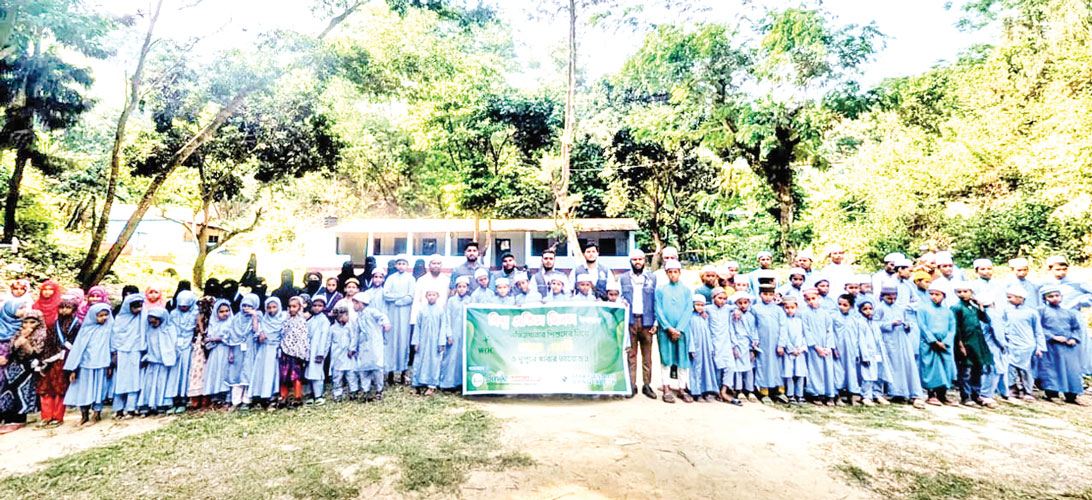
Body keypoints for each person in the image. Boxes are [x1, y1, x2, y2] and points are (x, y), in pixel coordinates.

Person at [63, 303, 113, 426]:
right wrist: (73, 369)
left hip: (101, 364)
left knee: (99, 390)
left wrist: (111, 364)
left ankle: (97, 413)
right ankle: (84, 415)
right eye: (100, 315)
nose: (104, 318)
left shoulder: (110, 328)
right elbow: (77, 350)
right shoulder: (85, 330)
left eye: (106, 315)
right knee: (83, 391)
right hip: (85, 366)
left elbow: (112, 346)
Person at [875, 287, 925, 408]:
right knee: (893, 366)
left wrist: (907, 326)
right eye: (889, 298)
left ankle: (907, 392)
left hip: (902, 341)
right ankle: (895, 392)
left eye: (894, 298)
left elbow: (908, 322)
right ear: (883, 296)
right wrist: (890, 324)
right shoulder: (879, 308)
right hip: (888, 341)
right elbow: (875, 324)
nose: (892, 300)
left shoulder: (900, 308)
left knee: (906, 365)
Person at [1038, 285, 1087, 404]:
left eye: (1057, 295)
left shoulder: (1069, 313)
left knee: (1072, 371)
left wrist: (1074, 338)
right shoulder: (1041, 311)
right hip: (1051, 347)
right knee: (1052, 370)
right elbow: (1038, 328)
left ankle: (1072, 396)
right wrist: (1053, 337)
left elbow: (1076, 328)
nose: (1054, 298)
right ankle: (1052, 394)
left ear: (1061, 297)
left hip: (1068, 347)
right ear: (1045, 298)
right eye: (1050, 296)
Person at [37, 294, 81, 427]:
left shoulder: (77, 325)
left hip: (66, 360)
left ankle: (57, 416)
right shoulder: (54, 324)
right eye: (61, 307)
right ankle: (46, 416)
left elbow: (77, 344)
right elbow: (48, 342)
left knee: (60, 389)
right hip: (51, 360)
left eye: (68, 308)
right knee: (46, 388)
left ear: (74, 309)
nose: (64, 311)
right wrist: (45, 359)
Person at [619, 248, 657, 399]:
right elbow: (618, 297)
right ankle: (631, 385)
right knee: (631, 355)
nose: (637, 262)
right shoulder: (623, 278)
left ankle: (647, 385)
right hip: (630, 321)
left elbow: (657, 300)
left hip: (647, 321)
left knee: (647, 356)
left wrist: (656, 322)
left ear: (644, 261)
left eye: (640, 259)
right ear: (630, 261)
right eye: (634, 259)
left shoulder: (652, 278)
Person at [654, 260, 693, 403]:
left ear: (679, 273)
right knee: (666, 359)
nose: (673, 275)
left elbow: (688, 310)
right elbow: (658, 310)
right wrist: (668, 328)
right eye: (670, 272)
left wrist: (679, 329)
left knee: (683, 360)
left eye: (675, 272)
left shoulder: (686, 291)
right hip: (665, 331)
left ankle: (682, 388)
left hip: (682, 331)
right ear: (666, 273)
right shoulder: (660, 290)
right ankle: (666, 388)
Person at [952, 283, 994, 407]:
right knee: (965, 371)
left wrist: (980, 306)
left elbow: (985, 319)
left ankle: (976, 394)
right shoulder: (956, 308)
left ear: (971, 292)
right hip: (965, 343)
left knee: (978, 369)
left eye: (965, 291)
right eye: (959, 292)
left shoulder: (973, 308)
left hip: (977, 343)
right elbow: (956, 328)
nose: (962, 294)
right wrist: (960, 345)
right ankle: (966, 396)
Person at [917, 283, 958, 406]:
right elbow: (923, 326)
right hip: (929, 344)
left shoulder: (948, 312)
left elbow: (952, 328)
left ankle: (942, 395)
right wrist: (933, 341)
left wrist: (946, 342)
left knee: (946, 368)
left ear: (943, 296)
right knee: (931, 369)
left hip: (945, 345)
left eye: (937, 294)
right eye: (932, 294)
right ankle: (931, 395)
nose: (934, 297)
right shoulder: (923, 309)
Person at [1001, 286, 1042, 401]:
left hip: (1027, 345)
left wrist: (1039, 347)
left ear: (1020, 298)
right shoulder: (1007, 310)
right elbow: (1003, 325)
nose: (1008, 299)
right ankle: (1012, 388)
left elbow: (1038, 331)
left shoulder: (1031, 313)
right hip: (1011, 344)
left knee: (1026, 370)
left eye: (1011, 297)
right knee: (1010, 368)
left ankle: (1027, 391)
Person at [801, 288, 838, 406]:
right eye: (808, 299)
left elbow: (829, 330)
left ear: (819, 298)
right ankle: (816, 393)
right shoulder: (804, 313)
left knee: (828, 369)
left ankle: (829, 394)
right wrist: (816, 347)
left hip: (826, 346)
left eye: (813, 298)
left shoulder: (825, 313)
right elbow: (806, 331)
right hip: (814, 347)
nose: (812, 301)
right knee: (815, 369)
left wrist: (828, 347)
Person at [138, 307, 178, 415]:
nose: (153, 324)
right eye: (151, 321)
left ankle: (161, 404)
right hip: (152, 361)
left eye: (155, 321)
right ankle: (146, 404)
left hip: (163, 363)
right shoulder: (149, 330)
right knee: (149, 384)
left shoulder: (169, 329)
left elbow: (173, 345)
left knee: (161, 383)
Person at [112, 294, 145, 419]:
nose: (138, 309)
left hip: (136, 351)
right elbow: (114, 336)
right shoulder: (120, 319)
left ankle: (131, 408)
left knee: (134, 380)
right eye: (135, 306)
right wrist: (114, 352)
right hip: (121, 352)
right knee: (120, 381)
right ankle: (118, 409)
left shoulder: (142, 318)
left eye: (140, 306)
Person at [383, 255, 415, 384]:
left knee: (403, 341)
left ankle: (403, 371)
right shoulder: (391, 278)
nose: (401, 266)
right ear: (396, 265)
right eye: (399, 264)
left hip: (405, 313)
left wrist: (400, 301)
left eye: (403, 264)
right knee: (391, 341)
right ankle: (390, 372)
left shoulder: (411, 279)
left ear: (407, 265)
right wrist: (400, 296)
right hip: (392, 312)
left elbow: (411, 296)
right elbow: (386, 295)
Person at [165, 290, 198, 414]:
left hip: (189, 346)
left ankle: (183, 399)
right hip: (175, 346)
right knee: (174, 374)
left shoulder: (195, 313)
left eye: (186, 306)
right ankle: (173, 399)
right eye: (181, 306)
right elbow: (170, 329)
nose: (183, 308)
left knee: (185, 372)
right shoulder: (173, 314)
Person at [226, 294, 260, 410]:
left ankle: (247, 400)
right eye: (244, 305)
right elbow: (231, 335)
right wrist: (231, 352)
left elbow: (256, 331)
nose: (246, 308)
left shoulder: (258, 316)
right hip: (237, 348)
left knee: (249, 372)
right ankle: (236, 401)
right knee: (237, 373)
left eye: (249, 306)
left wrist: (254, 316)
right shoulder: (237, 318)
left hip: (251, 348)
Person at [752, 283, 785, 403]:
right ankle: (764, 392)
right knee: (763, 365)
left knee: (778, 366)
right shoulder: (755, 308)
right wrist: (755, 339)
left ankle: (779, 391)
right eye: (765, 294)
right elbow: (753, 326)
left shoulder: (778, 309)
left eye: (770, 294)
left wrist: (781, 344)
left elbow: (783, 326)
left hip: (776, 343)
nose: (767, 297)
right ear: (760, 294)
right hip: (763, 343)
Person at [354, 292, 390, 401]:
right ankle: (366, 390)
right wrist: (354, 347)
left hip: (374, 344)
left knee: (377, 368)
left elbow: (382, 316)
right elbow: (357, 333)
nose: (354, 306)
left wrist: (385, 323)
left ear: (361, 303)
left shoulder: (371, 312)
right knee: (363, 368)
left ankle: (379, 390)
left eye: (355, 303)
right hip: (363, 345)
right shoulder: (358, 317)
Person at [250, 297, 285, 407]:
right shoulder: (263, 319)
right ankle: (259, 396)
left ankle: (272, 395)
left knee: (272, 373)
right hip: (263, 348)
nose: (271, 310)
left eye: (274, 307)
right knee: (261, 372)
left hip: (275, 349)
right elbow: (256, 331)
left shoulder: (283, 319)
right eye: (269, 307)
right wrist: (260, 334)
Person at [854, 298, 889, 407]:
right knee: (867, 375)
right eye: (865, 309)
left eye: (870, 308)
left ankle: (877, 394)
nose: (868, 311)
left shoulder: (874, 323)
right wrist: (864, 356)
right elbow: (861, 340)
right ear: (860, 310)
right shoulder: (860, 323)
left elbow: (879, 338)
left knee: (878, 373)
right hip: (867, 353)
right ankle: (866, 396)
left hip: (877, 353)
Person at [440, 277, 471, 391]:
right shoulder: (451, 301)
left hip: (465, 334)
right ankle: (448, 383)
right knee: (450, 358)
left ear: (467, 288)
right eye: (459, 287)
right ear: (456, 288)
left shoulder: (470, 300)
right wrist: (449, 334)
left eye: (464, 287)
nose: (462, 289)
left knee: (462, 357)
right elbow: (447, 318)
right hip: (453, 333)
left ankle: (461, 383)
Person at [411, 290, 445, 395]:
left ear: (437, 296)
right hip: (423, 341)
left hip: (435, 342)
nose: (431, 297)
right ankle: (417, 384)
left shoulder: (441, 311)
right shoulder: (422, 311)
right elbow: (417, 327)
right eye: (429, 295)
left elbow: (443, 327)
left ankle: (431, 386)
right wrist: (416, 342)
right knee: (419, 362)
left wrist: (441, 342)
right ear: (426, 296)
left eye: (433, 295)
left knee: (433, 363)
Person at [687, 295, 720, 403]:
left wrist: (711, 347)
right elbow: (689, 334)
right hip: (696, 348)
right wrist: (691, 348)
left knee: (706, 368)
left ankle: (706, 390)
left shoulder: (704, 317)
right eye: (697, 305)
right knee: (696, 369)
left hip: (705, 347)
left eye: (702, 305)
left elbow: (708, 332)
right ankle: (696, 392)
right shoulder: (690, 317)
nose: (700, 307)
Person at [279, 296, 310, 407]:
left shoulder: (302, 321)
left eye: (294, 306)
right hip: (285, 351)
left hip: (296, 354)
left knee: (295, 376)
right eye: (290, 306)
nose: (292, 309)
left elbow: (303, 339)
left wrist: (302, 354)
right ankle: (283, 397)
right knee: (283, 375)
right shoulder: (285, 320)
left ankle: (297, 397)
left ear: (300, 307)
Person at [977, 294, 1008, 404]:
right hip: (993, 345)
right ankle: (986, 394)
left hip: (982, 345)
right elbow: (998, 334)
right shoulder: (994, 315)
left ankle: (999, 392)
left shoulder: (978, 314)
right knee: (993, 370)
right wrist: (1003, 345)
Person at [202, 299, 233, 406]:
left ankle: (226, 395)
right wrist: (211, 339)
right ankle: (216, 395)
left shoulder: (231, 322)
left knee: (225, 371)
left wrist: (220, 339)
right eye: (221, 311)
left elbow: (232, 337)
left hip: (227, 350)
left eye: (227, 311)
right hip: (215, 351)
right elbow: (209, 336)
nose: (225, 314)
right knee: (216, 370)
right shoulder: (213, 323)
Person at [729, 292, 759, 402]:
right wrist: (734, 346)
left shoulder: (751, 316)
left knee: (749, 367)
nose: (743, 305)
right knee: (738, 368)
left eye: (745, 303)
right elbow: (731, 331)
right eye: (740, 303)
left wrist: (754, 344)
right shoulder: (733, 316)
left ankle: (749, 390)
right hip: (738, 343)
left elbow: (754, 330)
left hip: (748, 344)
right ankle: (739, 390)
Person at [777, 296, 808, 404]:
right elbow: (783, 336)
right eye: (787, 308)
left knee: (800, 373)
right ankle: (790, 394)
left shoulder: (799, 321)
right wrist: (790, 349)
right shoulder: (783, 321)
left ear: (796, 308)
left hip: (800, 351)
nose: (790, 310)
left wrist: (801, 348)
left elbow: (804, 335)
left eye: (792, 307)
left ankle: (800, 394)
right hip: (789, 351)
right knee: (789, 373)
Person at [832, 294, 860, 405]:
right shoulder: (834, 317)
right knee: (838, 372)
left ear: (851, 306)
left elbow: (857, 336)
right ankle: (837, 396)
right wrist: (833, 348)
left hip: (851, 349)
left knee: (851, 372)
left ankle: (852, 395)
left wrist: (857, 352)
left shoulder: (854, 319)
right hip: (838, 349)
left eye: (845, 305)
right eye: (839, 304)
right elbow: (831, 333)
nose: (841, 307)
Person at [305, 296, 331, 403]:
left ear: (324, 307)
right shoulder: (311, 319)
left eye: (320, 306)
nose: (317, 308)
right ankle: (310, 394)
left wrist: (321, 353)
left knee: (317, 373)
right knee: (309, 372)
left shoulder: (324, 320)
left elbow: (324, 338)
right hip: (310, 350)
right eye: (315, 305)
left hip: (318, 351)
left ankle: (318, 395)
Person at [328, 305, 358, 401]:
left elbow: (354, 338)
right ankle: (338, 393)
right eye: (346, 315)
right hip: (337, 356)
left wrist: (352, 349)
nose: (348, 317)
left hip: (348, 355)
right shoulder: (332, 328)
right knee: (337, 376)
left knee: (351, 374)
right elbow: (328, 342)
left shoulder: (350, 327)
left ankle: (353, 391)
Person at [411, 255, 449, 328]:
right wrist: (414, 320)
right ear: (429, 265)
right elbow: (417, 301)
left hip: (441, 317)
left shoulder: (446, 280)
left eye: (438, 263)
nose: (436, 266)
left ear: (441, 266)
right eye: (433, 263)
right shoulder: (422, 280)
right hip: (425, 317)